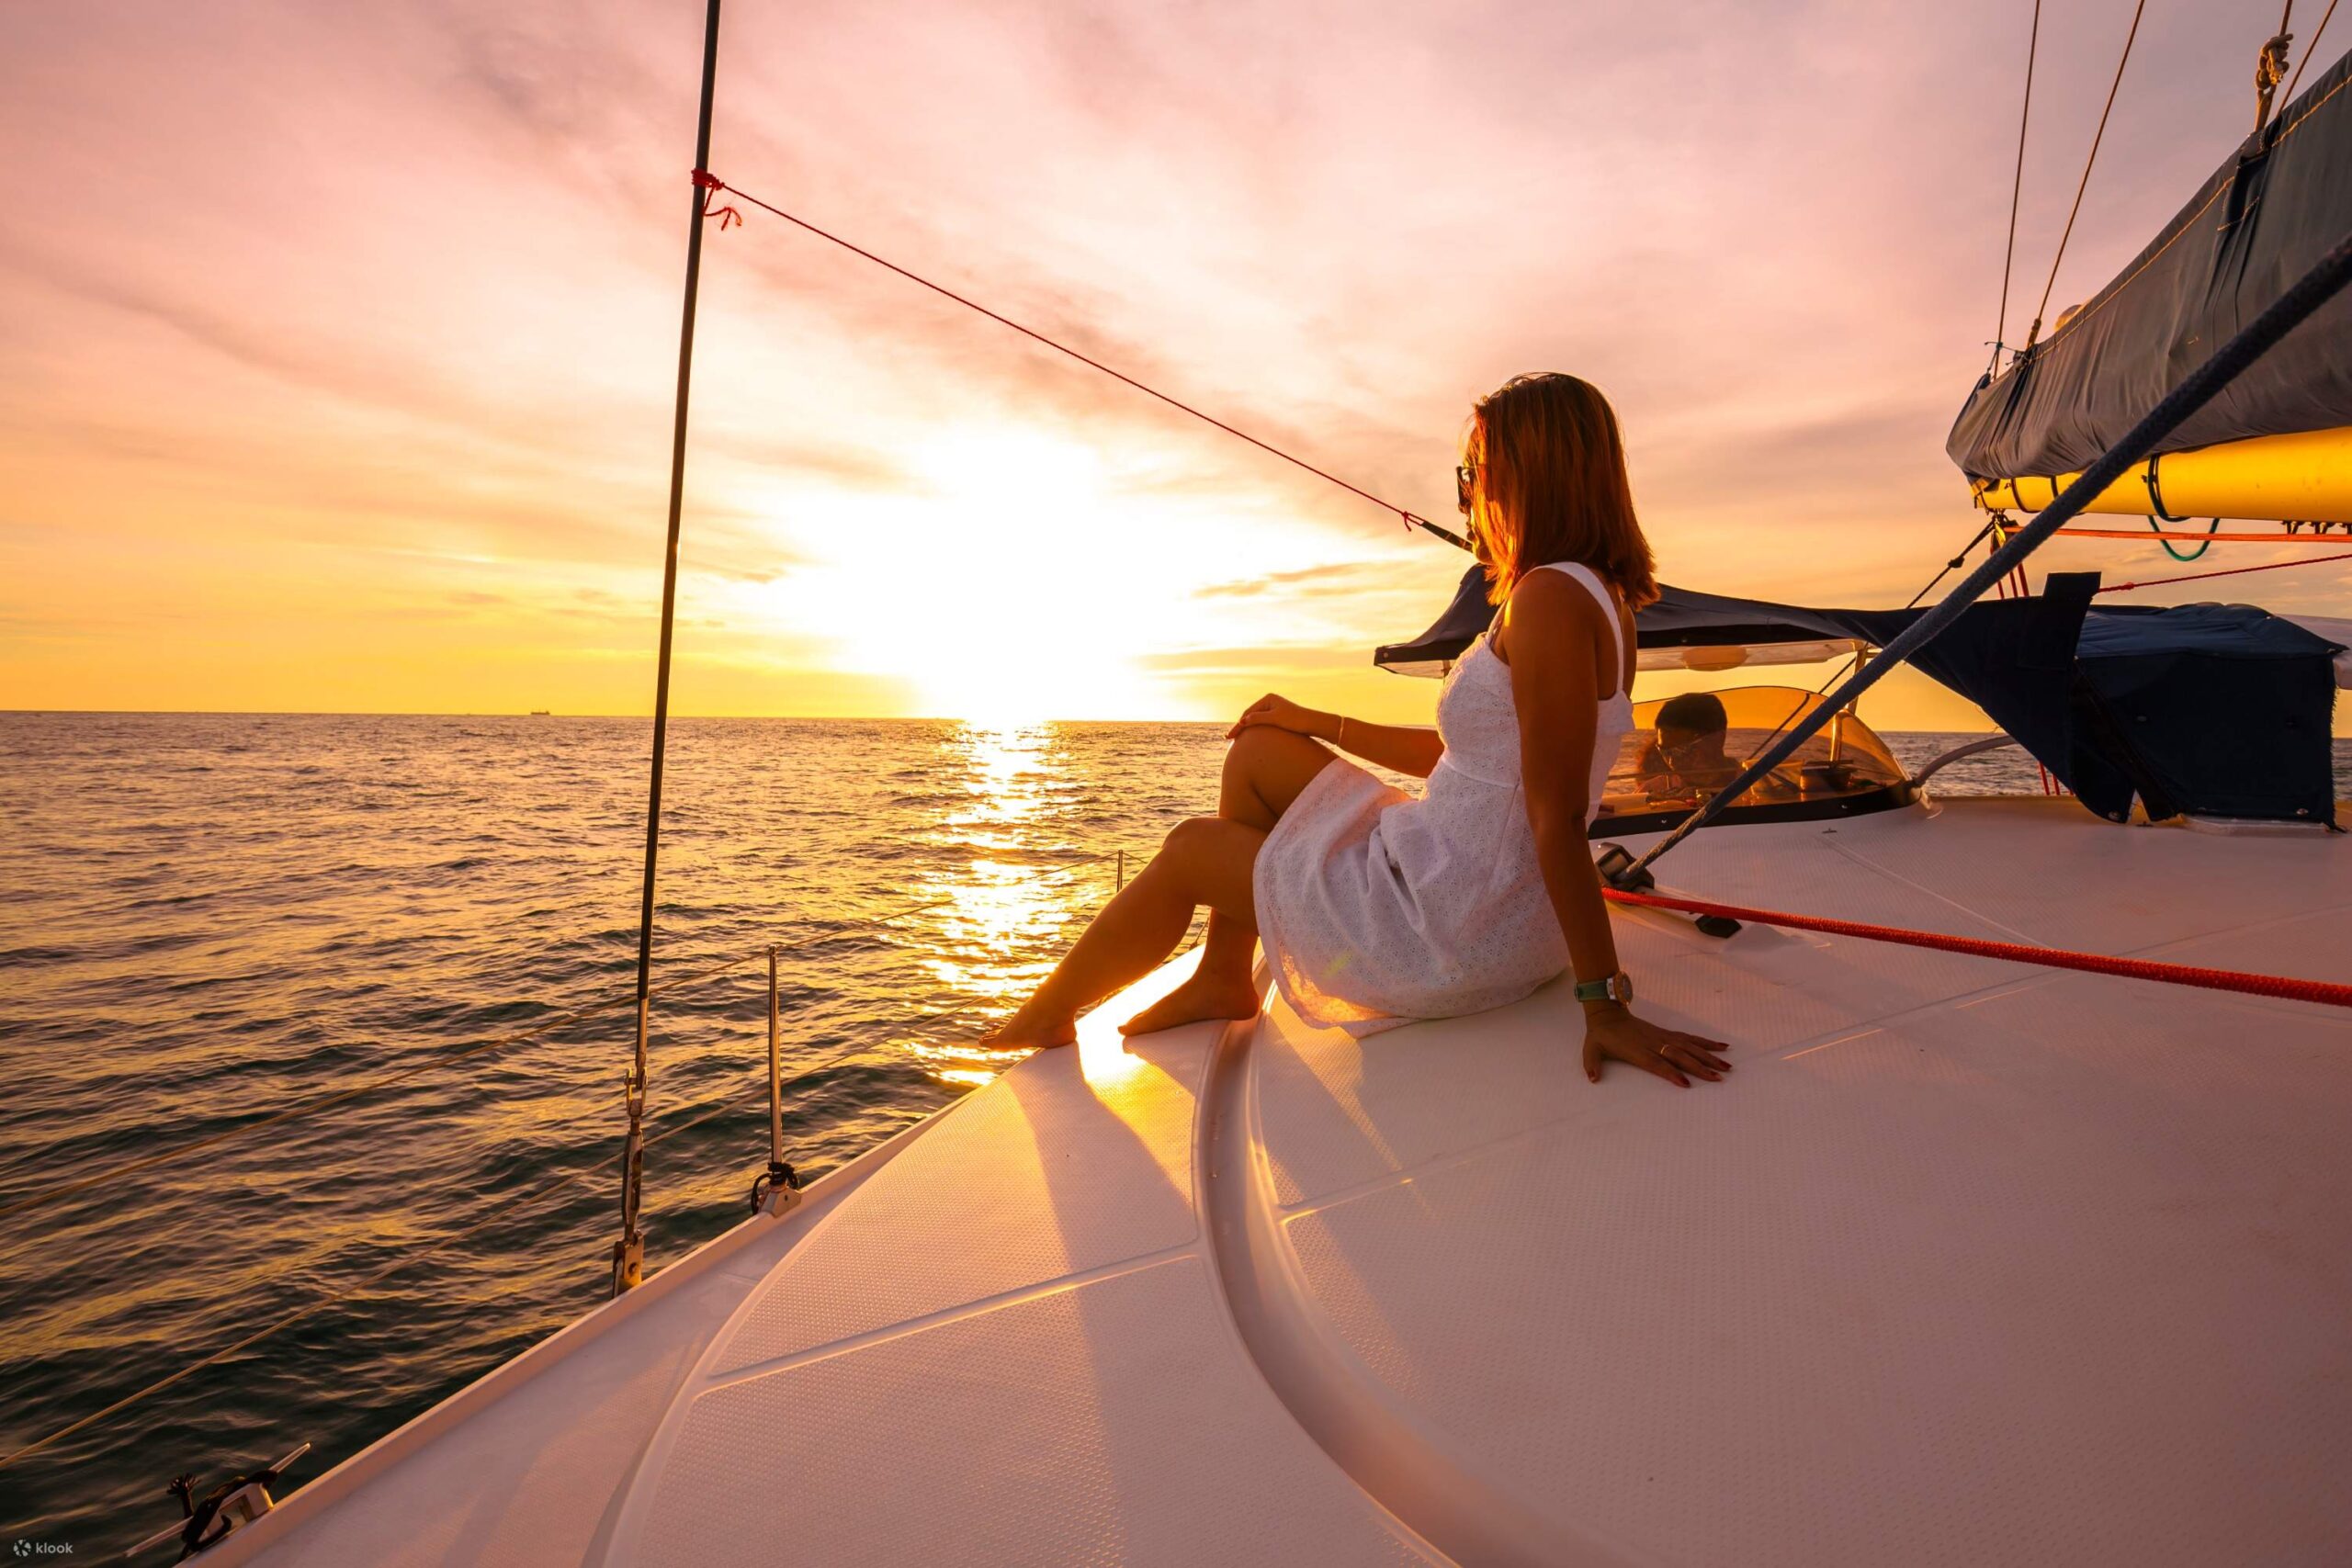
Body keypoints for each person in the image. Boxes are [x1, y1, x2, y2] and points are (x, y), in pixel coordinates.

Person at [981, 373, 1732, 1089]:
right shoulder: (1596, 601)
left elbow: (1558, 815)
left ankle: (1047, 1014)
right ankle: (1221, 976)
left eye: (1474, 471)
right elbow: (1479, 759)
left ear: (1529, 476)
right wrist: (1317, 722)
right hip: (1468, 882)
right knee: (1259, 752)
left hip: (1455, 926)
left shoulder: (1548, 602)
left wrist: (1605, 1003)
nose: (1467, 494)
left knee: (1189, 850)